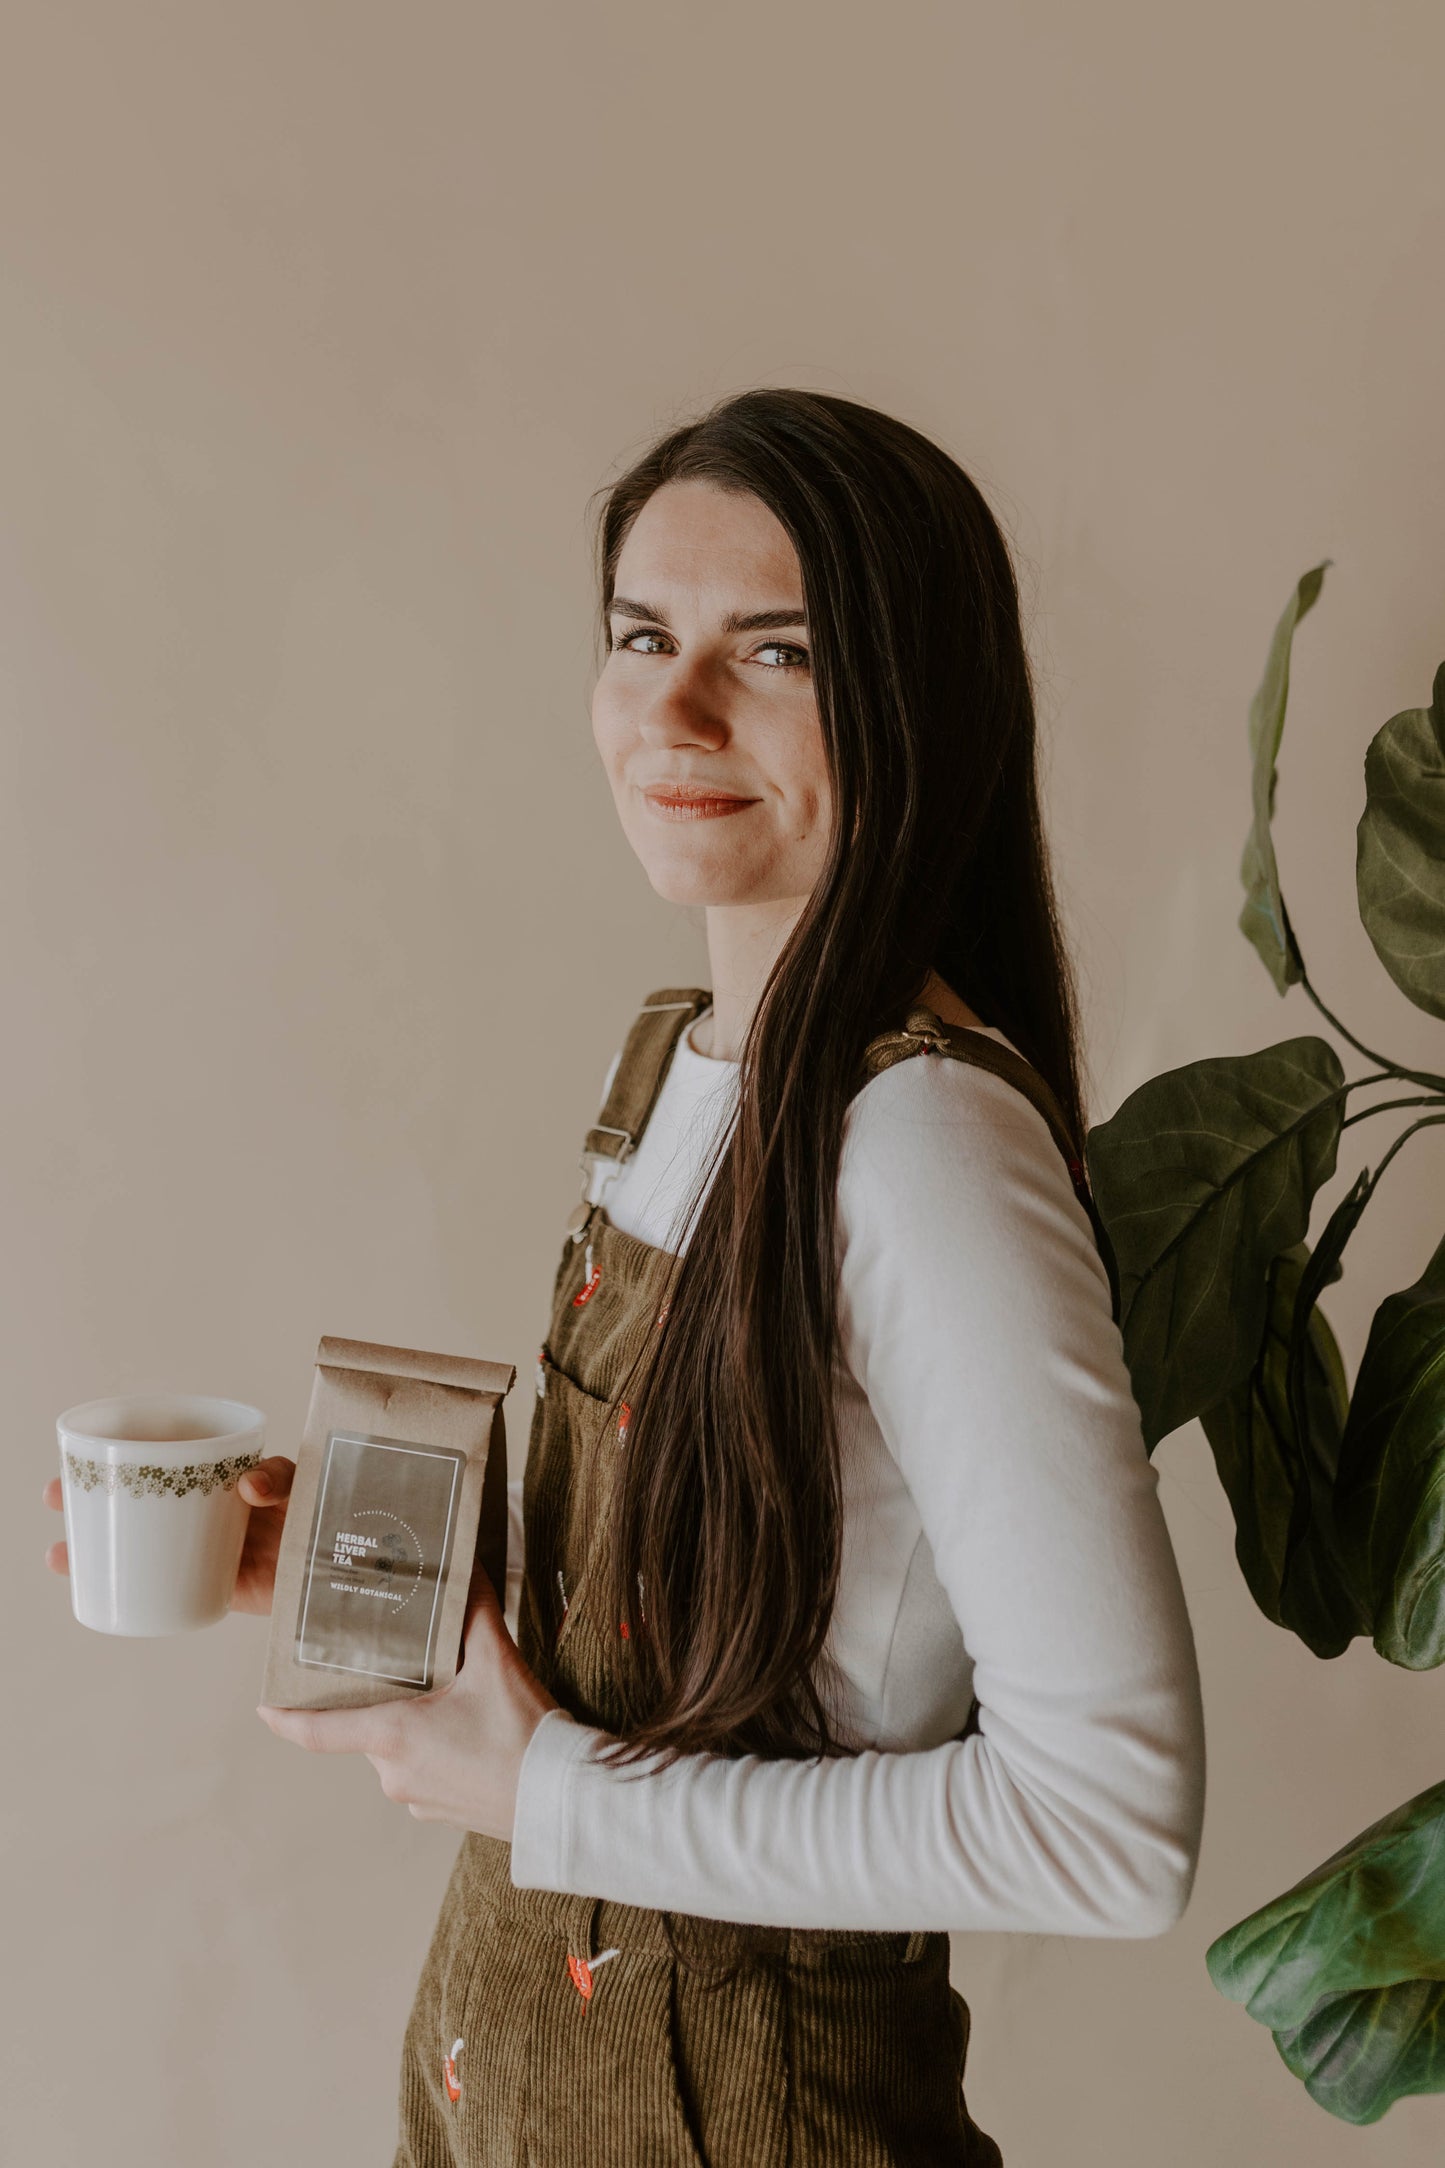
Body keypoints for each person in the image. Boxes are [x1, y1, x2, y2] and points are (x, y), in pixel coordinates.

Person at [44, 388, 1207, 2164]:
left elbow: (1109, 1827)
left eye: (775, 652)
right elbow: (711, 1625)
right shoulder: (683, 1067)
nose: (671, 708)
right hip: (520, 2085)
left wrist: (547, 1792)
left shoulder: (921, 1150)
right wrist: (369, 1574)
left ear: (916, 703)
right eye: (640, 636)